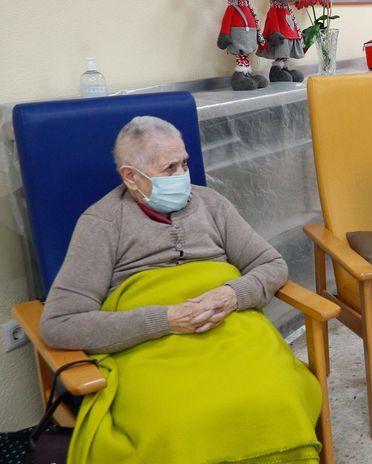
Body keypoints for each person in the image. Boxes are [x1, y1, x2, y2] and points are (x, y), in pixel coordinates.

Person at [40, 116, 322, 463]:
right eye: (169, 168)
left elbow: (271, 264)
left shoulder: (212, 204)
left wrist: (233, 294)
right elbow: (60, 323)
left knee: (277, 396)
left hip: (231, 326)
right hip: (149, 345)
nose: (183, 175)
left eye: (185, 163)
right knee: (177, 422)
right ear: (131, 177)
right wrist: (166, 320)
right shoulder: (101, 223)